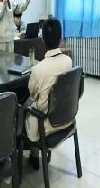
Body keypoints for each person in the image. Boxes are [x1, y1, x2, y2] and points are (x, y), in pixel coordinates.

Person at [26, 18, 73, 169]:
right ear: (61, 38)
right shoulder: (68, 62)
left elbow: (32, 95)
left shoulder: (39, 69)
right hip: (67, 116)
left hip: (46, 124)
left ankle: (32, 155)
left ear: (43, 40)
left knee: (24, 107)